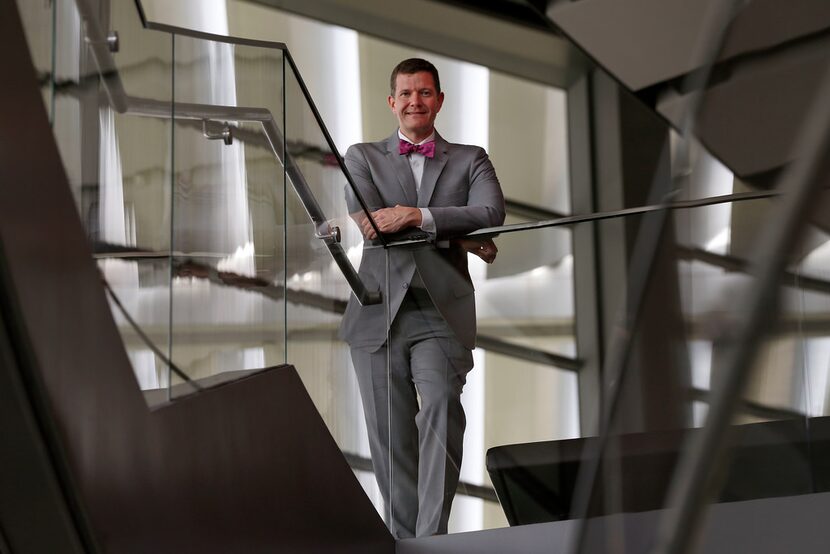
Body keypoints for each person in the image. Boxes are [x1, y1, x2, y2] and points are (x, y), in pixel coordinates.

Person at [339, 58, 505, 538]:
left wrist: (415, 215)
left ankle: (432, 540)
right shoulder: (361, 156)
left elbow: (490, 210)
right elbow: (372, 226)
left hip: (440, 311)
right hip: (377, 312)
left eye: (425, 93)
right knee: (390, 442)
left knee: (440, 410)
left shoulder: (470, 157)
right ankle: (403, 543)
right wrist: (459, 233)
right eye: (407, 93)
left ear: (440, 100)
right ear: (392, 102)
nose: (416, 101)